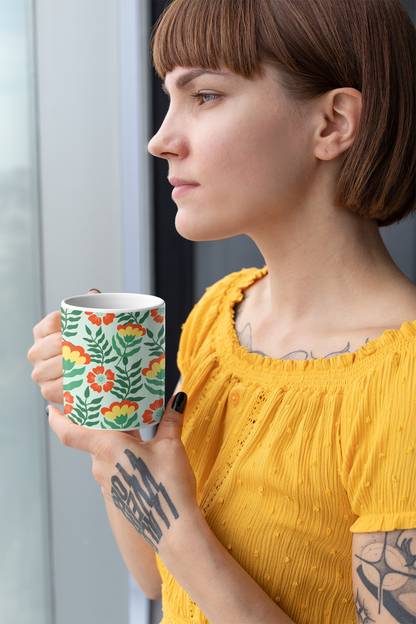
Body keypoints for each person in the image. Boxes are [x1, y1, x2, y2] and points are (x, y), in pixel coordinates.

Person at [28, 0, 416, 622]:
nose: (160, 140)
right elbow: (154, 576)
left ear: (332, 123)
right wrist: (116, 428)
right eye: (169, 98)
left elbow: (174, 543)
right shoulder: (222, 315)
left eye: (204, 95)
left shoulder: (404, 386)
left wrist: (176, 523)